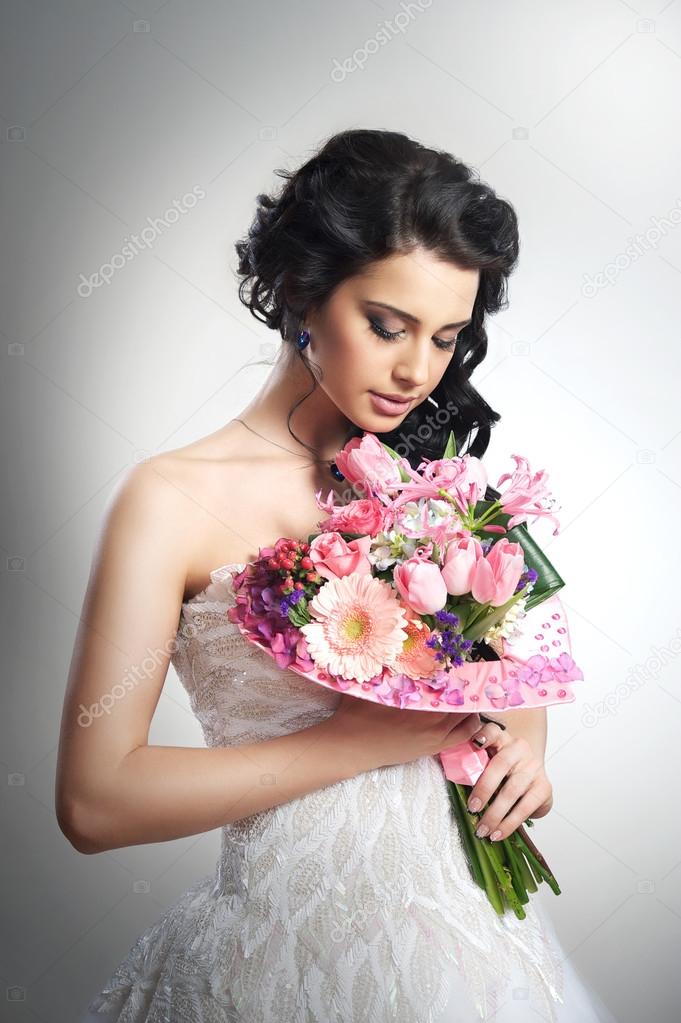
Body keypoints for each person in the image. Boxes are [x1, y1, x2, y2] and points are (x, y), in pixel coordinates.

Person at [57, 129, 616, 1022]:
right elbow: (94, 800)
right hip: (274, 959)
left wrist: (525, 761)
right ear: (300, 291)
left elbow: (503, 701)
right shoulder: (168, 499)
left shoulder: (445, 494)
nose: (415, 370)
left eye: (445, 337)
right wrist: (359, 742)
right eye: (386, 325)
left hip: (471, 961)